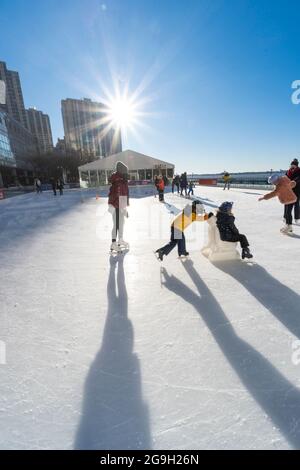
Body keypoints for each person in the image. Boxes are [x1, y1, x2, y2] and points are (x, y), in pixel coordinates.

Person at [108, 161, 129, 251]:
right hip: (116, 205)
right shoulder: (119, 180)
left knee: (121, 223)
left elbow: (124, 194)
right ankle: (113, 243)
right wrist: (122, 208)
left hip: (119, 204)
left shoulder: (122, 179)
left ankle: (120, 240)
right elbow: (119, 194)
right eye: (126, 171)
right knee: (116, 224)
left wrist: (124, 208)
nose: (127, 173)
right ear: (122, 170)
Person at [285, 158, 300, 224]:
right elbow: (285, 177)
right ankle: (286, 217)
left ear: (296, 165)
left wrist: (293, 182)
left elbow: (298, 178)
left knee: (296, 204)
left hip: (297, 191)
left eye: (294, 165)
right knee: (286, 204)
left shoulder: (299, 171)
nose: (292, 166)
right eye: (291, 165)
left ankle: (297, 218)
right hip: (288, 191)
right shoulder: (288, 171)